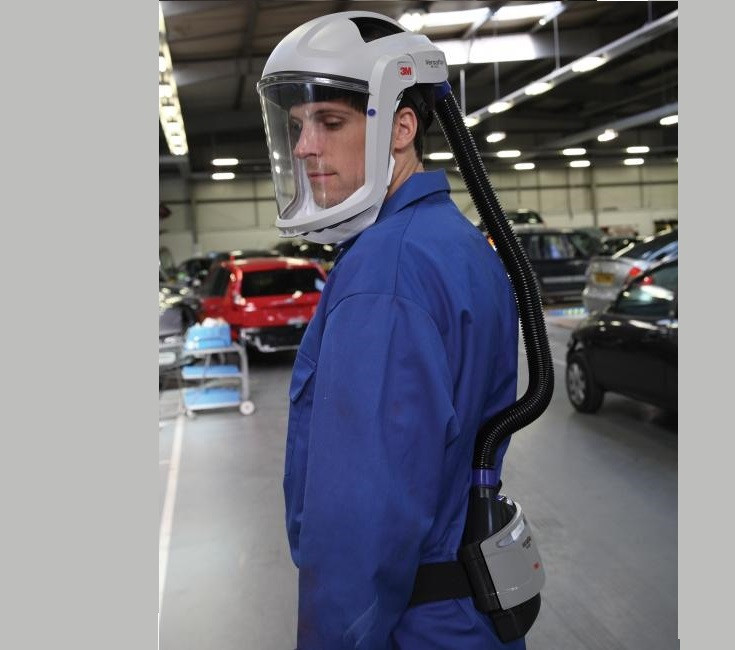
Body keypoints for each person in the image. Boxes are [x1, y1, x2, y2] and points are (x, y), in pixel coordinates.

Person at [257, 12, 523, 649]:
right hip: (468, 615)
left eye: (330, 122)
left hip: (413, 625)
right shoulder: (453, 241)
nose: (304, 147)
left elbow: (362, 521)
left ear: (401, 128)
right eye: (297, 126)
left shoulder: (386, 270)